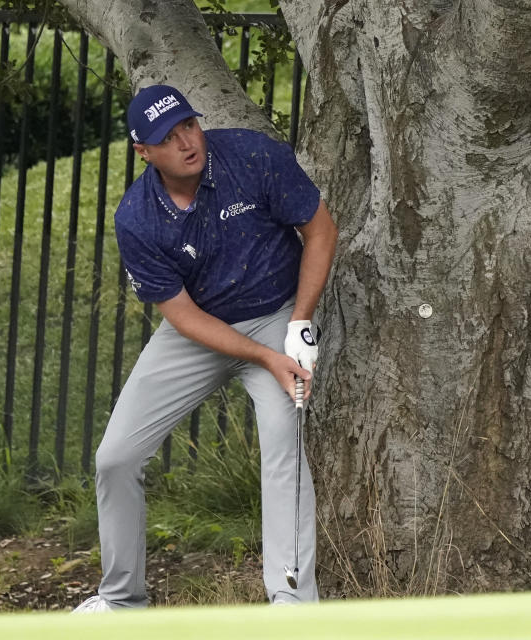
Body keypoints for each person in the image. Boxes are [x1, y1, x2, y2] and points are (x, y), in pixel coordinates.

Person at [73, 85, 337, 612]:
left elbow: (321, 230)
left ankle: (291, 604)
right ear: (144, 153)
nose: (186, 143)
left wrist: (299, 323)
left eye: (188, 126)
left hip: (275, 314)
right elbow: (183, 315)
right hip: (198, 332)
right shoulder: (137, 219)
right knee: (115, 457)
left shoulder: (252, 155)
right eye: (167, 139)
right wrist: (261, 357)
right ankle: (122, 602)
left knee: (284, 443)